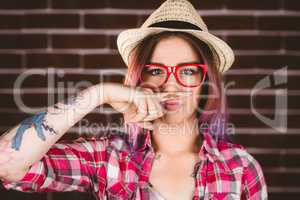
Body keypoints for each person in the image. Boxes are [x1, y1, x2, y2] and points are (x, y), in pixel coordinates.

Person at [0, 0, 267, 199]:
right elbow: (5, 163)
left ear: (206, 83)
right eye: (155, 70)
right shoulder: (107, 159)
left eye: (187, 70)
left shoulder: (240, 167)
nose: (170, 84)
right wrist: (98, 94)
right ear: (138, 78)